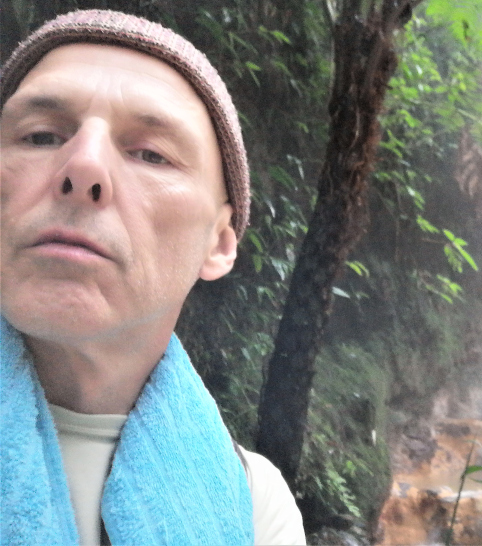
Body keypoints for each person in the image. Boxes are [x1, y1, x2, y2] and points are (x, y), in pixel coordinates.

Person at [0, 9, 306, 545]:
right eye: (41, 136)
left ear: (219, 243)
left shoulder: (254, 507)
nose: (83, 166)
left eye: (150, 154)